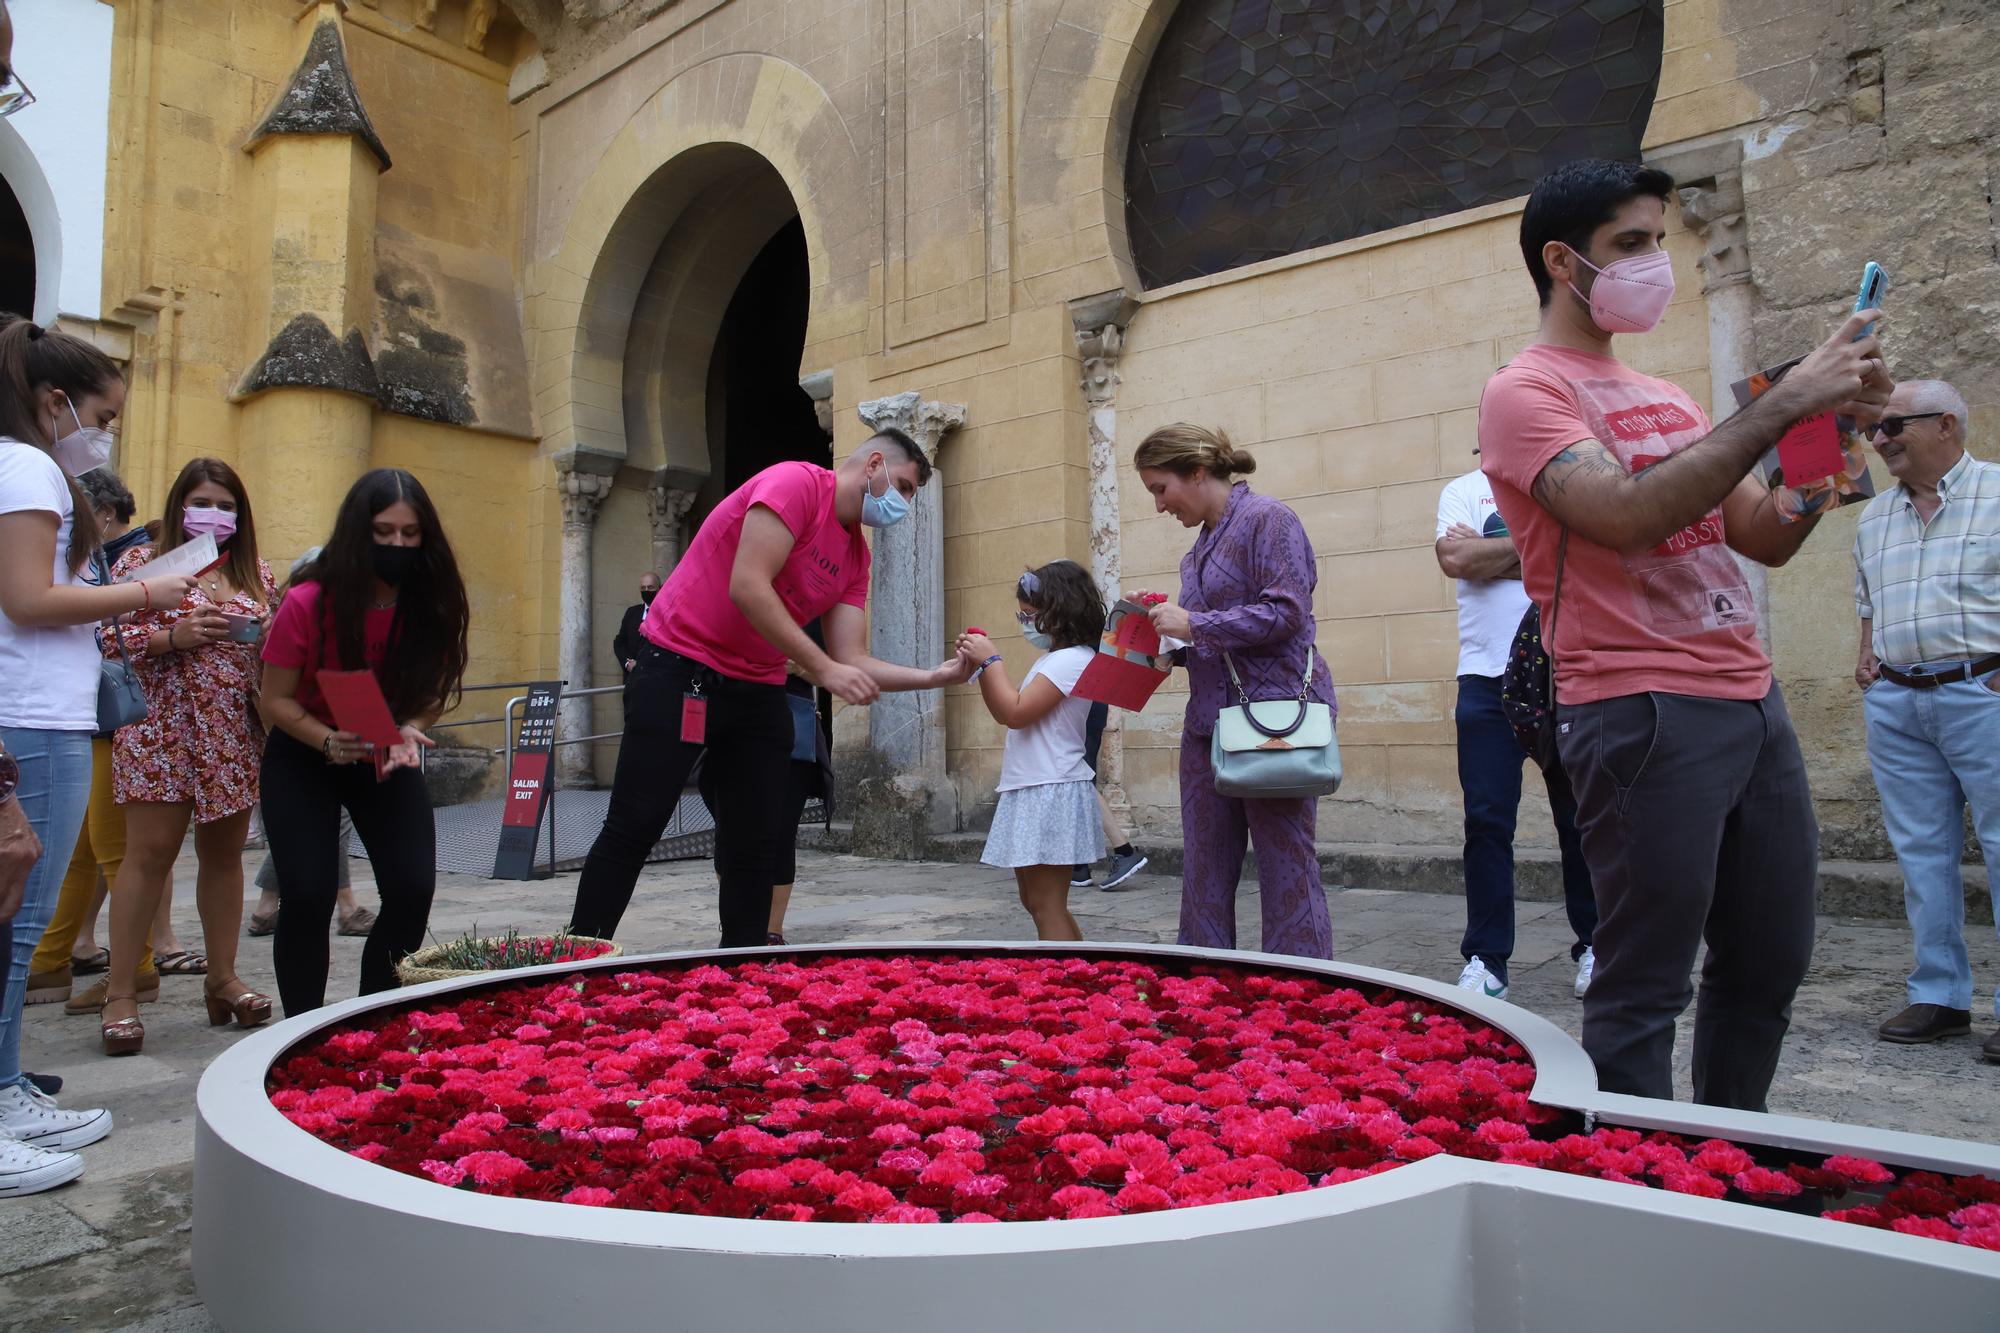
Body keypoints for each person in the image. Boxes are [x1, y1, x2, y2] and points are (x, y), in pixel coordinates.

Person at [1477, 158, 1890, 1109]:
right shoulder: (1525, 391)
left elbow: (1764, 534)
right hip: (1640, 705)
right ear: (1561, 259)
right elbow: (1624, 513)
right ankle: (1631, 1184)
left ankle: (1729, 1153)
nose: (1656, 263)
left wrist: (1836, 430)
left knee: (1771, 960)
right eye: (1631, 244)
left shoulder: (1671, 395)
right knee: (1646, 979)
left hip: (1749, 696)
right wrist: (1781, 403)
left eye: (1661, 241)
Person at [568, 431, 968, 947]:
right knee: (636, 823)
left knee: (757, 840)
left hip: (756, 688)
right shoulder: (796, 484)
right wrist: (821, 669)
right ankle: (573, 964)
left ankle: (743, 973)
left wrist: (934, 677)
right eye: (907, 488)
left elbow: (853, 659)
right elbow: (748, 585)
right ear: (874, 464)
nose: (904, 505)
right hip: (678, 666)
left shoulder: (854, 557)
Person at [0, 313, 197, 1194]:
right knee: (13, 923)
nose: (106, 434)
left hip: (44, 709)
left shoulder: (23, 465)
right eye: (103, 416)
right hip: (29, 715)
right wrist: (147, 589)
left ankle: (7, 1088)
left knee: (19, 921)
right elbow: (30, 599)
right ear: (54, 403)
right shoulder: (28, 465)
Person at [258, 468, 468, 1015]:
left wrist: (405, 728)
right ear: (358, 530)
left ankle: (373, 1015)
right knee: (306, 894)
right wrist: (327, 740)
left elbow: (433, 693)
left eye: (409, 532)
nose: (397, 544)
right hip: (304, 756)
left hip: (383, 752)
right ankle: (301, 1031)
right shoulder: (307, 602)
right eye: (383, 531)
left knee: (411, 890)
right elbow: (274, 700)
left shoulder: (433, 603)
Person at [94, 459, 279, 1055]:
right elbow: (104, 639)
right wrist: (174, 636)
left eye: (227, 505)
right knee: (147, 857)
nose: (215, 514)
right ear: (179, 505)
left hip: (230, 731)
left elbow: (273, 647)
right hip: (159, 728)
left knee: (224, 858)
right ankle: (121, 992)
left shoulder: (255, 574)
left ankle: (222, 979)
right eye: (203, 501)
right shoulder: (142, 564)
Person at [1131, 423, 1336, 959]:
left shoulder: (1270, 520)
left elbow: (1287, 612)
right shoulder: (1195, 552)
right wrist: (1162, 644)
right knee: (1203, 863)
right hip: (1208, 724)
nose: (1158, 506)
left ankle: (1302, 989)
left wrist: (1194, 625)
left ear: (1197, 473)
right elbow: (1208, 634)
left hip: (1274, 720)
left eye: (1160, 488)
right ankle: (1202, 986)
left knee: (1285, 859)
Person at [1850, 378, 2000, 1061]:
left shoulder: (1997, 493)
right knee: (1920, 852)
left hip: (1980, 693)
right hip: (1898, 701)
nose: (1878, 441)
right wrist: (1866, 657)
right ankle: (1940, 993)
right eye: (1875, 431)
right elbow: (1868, 596)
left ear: (1945, 425)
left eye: (1892, 427)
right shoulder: (1875, 515)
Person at [1435, 457, 1598, 1001]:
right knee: (1486, 822)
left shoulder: (1565, 484)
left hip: (1563, 675)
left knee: (1581, 819)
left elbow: (1589, 556)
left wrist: (1497, 556)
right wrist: (1546, 542)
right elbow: (1456, 557)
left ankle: (1597, 944)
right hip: (1485, 679)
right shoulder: (1464, 489)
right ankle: (1487, 959)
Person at [24, 468, 166, 1008]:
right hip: (103, 718)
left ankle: (137, 969)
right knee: (87, 848)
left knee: (113, 848)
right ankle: (50, 960)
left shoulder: (127, 560)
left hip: (119, 723)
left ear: (101, 514)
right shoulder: (114, 559)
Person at [957, 562, 1107, 941]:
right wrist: (982, 668)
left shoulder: (1072, 659)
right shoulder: (1055, 659)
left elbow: (1018, 712)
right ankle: (1075, 976)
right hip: (1036, 786)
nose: (1024, 621)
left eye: (1028, 613)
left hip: (1051, 786)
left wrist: (992, 660)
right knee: (1035, 901)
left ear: (1057, 611)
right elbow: (1006, 711)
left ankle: (1066, 987)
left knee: (1047, 904)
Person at [246, 549, 374, 941]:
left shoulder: (286, 614)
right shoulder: (301, 617)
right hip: (306, 737)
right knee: (327, 823)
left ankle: (269, 903)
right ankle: (346, 904)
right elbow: (276, 694)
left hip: (308, 732)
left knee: (311, 827)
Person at [694, 618, 833, 946]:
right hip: (731, 723)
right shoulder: (734, 603)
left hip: (792, 727)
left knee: (781, 833)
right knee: (729, 832)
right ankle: (735, 922)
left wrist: (795, 667)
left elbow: (828, 673)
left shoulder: (810, 615)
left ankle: (772, 931)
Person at [1068, 703, 1149, 891]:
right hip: (1090, 706)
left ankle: (1124, 850)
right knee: (1079, 778)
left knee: (1077, 779)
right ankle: (1078, 865)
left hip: (1077, 708)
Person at [615, 571, 661, 677]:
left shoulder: (666, 615)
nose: (646, 591)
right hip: (632, 679)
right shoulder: (632, 612)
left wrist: (641, 665)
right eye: (643, 588)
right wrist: (627, 664)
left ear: (659, 588)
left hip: (656, 679)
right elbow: (619, 642)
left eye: (650, 587)